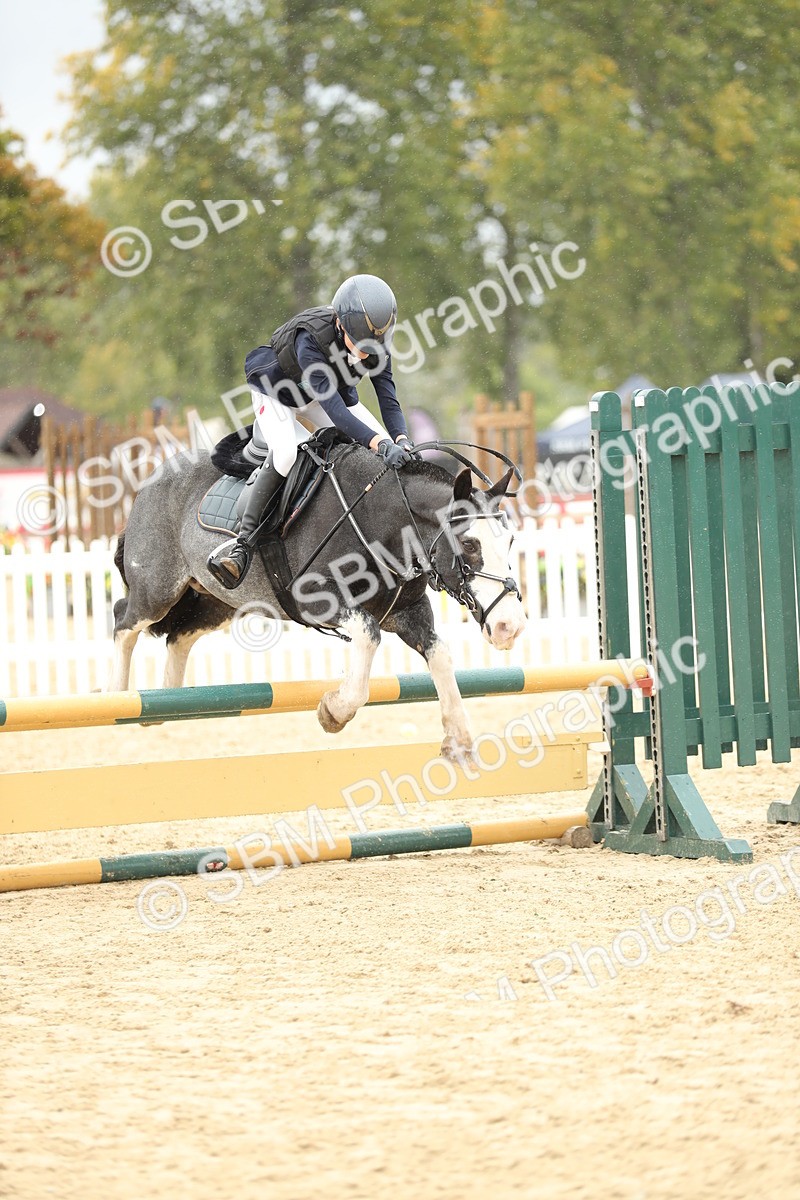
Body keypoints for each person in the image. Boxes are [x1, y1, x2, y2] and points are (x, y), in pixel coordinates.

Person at [207, 273, 416, 588]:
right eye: (358, 344)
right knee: (288, 454)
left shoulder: (376, 345)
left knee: (379, 445)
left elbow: (389, 401)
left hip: (318, 396)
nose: (364, 354)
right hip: (276, 393)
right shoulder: (312, 341)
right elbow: (336, 412)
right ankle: (243, 544)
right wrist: (379, 444)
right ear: (340, 325)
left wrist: (400, 440)